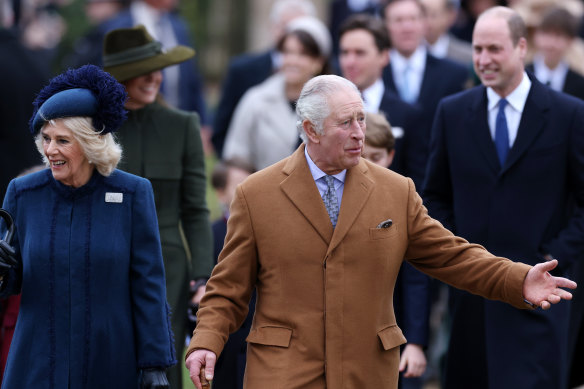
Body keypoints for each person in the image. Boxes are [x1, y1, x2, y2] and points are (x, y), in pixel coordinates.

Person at [184, 74, 576, 389]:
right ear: (311, 130)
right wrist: (205, 343)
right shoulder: (256, 195)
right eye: (346, 122)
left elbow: (453, 256)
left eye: (362, 119)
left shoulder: (396, 190)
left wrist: (518, 278)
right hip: (284, 373)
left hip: (368, 372)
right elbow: (227, 289)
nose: (360, 132)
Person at [423, 6, 584, 389]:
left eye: (494, 48)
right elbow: (434, 196)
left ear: (521, 47)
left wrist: (554, 254)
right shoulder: (452, 112)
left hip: (543, 296)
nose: (483, 59)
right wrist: (460, 256)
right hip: (472, 300)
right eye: (478, 49)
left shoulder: (569, 114)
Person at [0, 64, 175, 388]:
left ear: (90, 143)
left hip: (109, 361)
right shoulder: (22, 193)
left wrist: (155, 363)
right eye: (47, 138)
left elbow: (148, 284)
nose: (50, 150)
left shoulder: (132, 194)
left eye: (63, 141)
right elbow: (10, 282)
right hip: (37, 363)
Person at [101, 25, 213, 389]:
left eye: (158, 68)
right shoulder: (96, 129)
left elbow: (196, 210)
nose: (154, 78)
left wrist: (202, 277)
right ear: (121, 78)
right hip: (106, 259)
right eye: (142, 71)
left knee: (161, 367)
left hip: (169, 269)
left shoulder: (183, 125)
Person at [362, 112, 428, 389]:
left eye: (375, 157)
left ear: (390, 156)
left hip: (394, 329)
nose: (367, 165)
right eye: (362, 155)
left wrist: (415, 341)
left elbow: (418, 276)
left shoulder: (403, 199)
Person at [222, 15, 332, 171]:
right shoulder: (256, 100)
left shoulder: (333, 104)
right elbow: (235, 158)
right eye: (287, 52)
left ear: (319, 61)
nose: (292, 60)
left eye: (302, 54)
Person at [211, 0, 317, 157]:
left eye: (300, 29)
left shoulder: (331, 78)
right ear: (272, 27)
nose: (292, 36)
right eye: (285, 27)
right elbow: (222, 133)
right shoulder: (242, 70)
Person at [381, 0, 469, 188]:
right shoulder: (375, 72)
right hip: (384, 183)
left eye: (413, 19)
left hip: (438, 183)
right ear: (385, 26)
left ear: (424, 23)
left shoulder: (454, 74)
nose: (407, 27)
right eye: (398, 20)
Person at [338, 13, 425, 188]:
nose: (350, 61)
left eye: (360, 53)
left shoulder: (409, 115)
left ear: (384, 56)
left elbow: (420, 183)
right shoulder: (323, 109)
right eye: (345, 52)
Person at [98, 0, 207, 122]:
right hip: (132, 122)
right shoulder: (115, 26)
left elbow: (193, 80)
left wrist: (202, 122)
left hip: (178, 119)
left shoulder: (179, 26)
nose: (154, 77)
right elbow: (103, 78)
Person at [208, 158, 255, 389]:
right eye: (238, 184)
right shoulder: (211, 234)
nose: (246, 189)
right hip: (228, 344)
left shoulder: (265, 229)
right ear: (220, 192)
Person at [526, 6, 584, 100]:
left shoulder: (580, 84)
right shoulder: (523, 75)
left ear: (570, 41)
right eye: (546, 33)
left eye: (558, 35)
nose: (551, 43)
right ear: (536, 36)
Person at [421, 0, 473, 65]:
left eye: (433, 15)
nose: (427, 21)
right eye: (422, 15)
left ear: (451, 16)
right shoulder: (407, 52)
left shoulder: (467, 57)